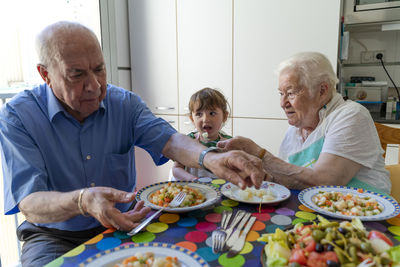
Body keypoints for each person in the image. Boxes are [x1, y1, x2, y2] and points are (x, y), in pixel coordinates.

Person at [0, 21, 265, 266]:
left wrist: (210, 158)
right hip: (53, 238)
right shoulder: (17, 117)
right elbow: (29, 202)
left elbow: (170, 140)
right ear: (45, 74)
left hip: (127, 222)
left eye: (99, 69)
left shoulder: (124, 103)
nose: (94, 85)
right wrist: (82, 201)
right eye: (77, 75)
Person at [218, 51, 391, 195]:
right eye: (281, 93)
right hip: (316, 215)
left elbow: (325, 182)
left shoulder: (351, 115)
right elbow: (290, 178)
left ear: (322, 91)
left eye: (291, 93)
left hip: (363, 218)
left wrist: (259, 154)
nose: (282, 103)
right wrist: (252, 170)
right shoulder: (295, 130)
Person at [172, 88, 232, 181]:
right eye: (199, 114)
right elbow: (176, 169)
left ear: (224, 116)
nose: (205, 119)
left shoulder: (229, 143)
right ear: (192, 119)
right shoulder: (187, 142)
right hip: (194, 190)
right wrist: (193, 179)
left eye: (212, 113)